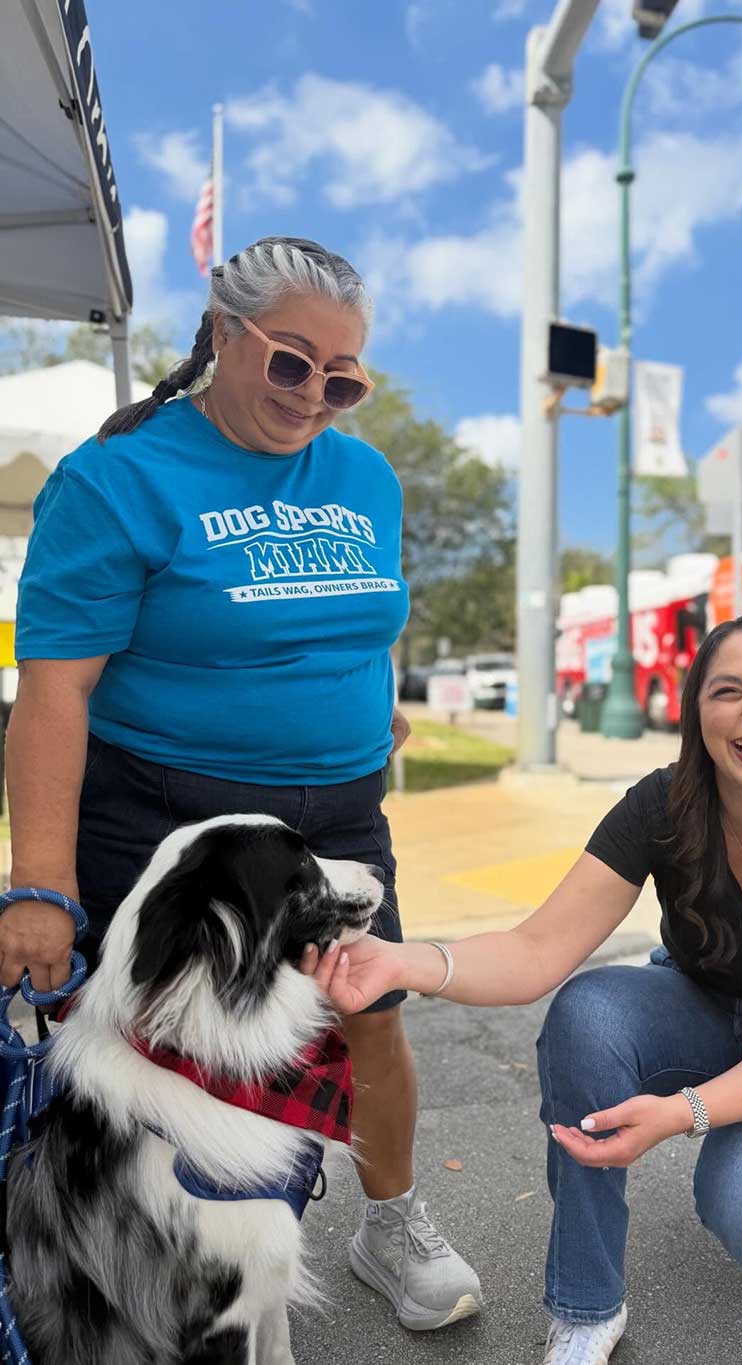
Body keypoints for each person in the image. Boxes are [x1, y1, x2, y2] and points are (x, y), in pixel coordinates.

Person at [1, 237, 481, 1331]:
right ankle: (157, 1268)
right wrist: (38, 882)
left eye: (344, 377)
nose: (317, 396)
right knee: (159, 1054)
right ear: (222, 337)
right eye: (290, 363)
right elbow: (54, 692)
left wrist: (367, 702)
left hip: (337, 815)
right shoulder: (117, 480)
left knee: (370, 1019)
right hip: (175, 818)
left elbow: (368, 617)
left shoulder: (364, 475)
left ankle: (389, 1223)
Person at [305, 614, 742, 1363]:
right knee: (586, 1011)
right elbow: (537, 950)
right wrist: (404, 961)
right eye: (727, 691)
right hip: (696, 1003)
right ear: (696, 711)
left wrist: (682, 1112)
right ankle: (586, 1306)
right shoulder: (663, 806)